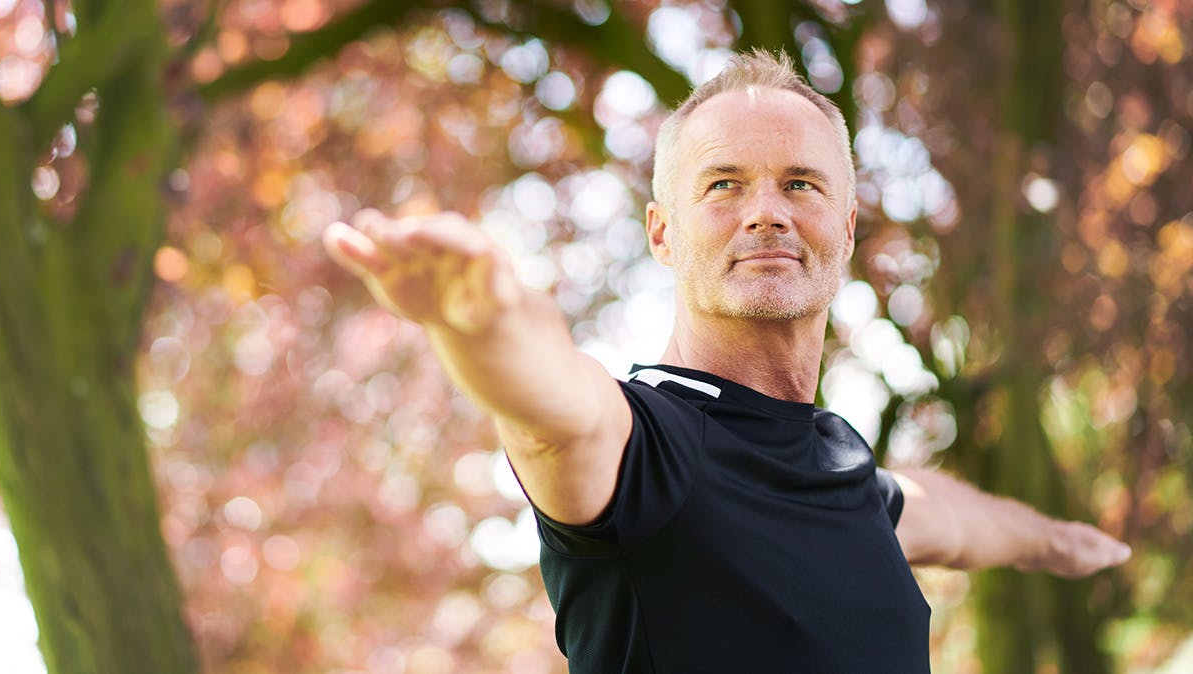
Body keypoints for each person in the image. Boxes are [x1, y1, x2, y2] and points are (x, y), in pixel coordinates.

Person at [323, 50, 1131, 672]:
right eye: (723, 185)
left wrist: (1055, 541)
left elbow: (952, 523)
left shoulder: (840, 465)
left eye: (801, 183)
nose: (766, 213)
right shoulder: (646, 451)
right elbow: (554, 411)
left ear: (846, 228)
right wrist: (483, 323)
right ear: (662, 232)